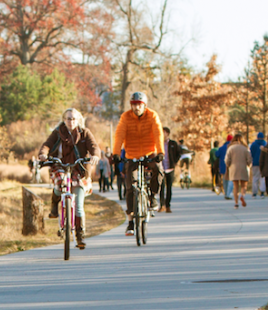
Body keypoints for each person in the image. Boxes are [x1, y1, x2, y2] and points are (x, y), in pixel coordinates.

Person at [38, 108, 100, 249]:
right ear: (63, 120)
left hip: (79, 168)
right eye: (68, 118)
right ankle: (55, 205)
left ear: (78, 120)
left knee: (78, 204)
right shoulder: (58, 132)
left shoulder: (84, 133)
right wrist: (43, 154)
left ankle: (80, 235)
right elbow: (47, 145)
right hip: (60, 166)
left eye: (73, 119)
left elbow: (94, 147)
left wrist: (95, 155)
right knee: (59, 187)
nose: (71, 121)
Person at [112, 91, 164, 235]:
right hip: (132, 155)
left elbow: (158, 133)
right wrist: (116, 154)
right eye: (134, 105)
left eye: (139, 105)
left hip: (149, 153)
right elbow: (119, 135)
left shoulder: (152, 116)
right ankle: (130, 222)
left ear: (144, 105)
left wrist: (160, 152)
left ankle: (153, 196)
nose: (136, 108)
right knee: (130, 187)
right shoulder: (126, 117)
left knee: (159, 170)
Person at [224, 132, 251, 208]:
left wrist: (229, 165)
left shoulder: (230, 148)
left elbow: (226, 160)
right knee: (244, 185)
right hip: (243, 168)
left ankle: (236, 203)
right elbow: (249, 159)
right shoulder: (245, 148)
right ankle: (242, 195)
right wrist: (249, 165)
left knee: (235, 186)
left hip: (233, 168)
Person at [159, 126, 181, 213]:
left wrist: (175, 162)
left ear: (167, 134)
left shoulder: (173, 144)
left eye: (164, 132)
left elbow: (178, 153)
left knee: (169, 188)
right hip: (161, 168)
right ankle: (162, 205)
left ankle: (168, 205)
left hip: (170, 168)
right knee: (161, 187)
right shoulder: (158, 144)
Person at [249, 131, 267, 196]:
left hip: (255, 163)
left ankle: (254, 192)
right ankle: (262, 192)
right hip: (263, 163)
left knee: (255, 177)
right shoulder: (265, 144)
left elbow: (251, 154)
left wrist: (251, 161)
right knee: (262, 178)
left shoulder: (253, 144)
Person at [216, 134, 232, 200]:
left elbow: (217, 154)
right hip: (231, 165)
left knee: (225, 179)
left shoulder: (221, 147)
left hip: (223, 165)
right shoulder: (232, 147)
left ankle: (225, 192)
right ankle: (228, 193)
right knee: (230, 180)